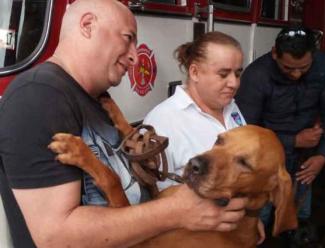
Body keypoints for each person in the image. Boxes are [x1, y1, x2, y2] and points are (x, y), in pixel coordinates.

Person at [0, 1, 248, 247]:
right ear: (87, 25)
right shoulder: (39, 95)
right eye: (127, 38)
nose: (134, 57)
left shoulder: (98, 100)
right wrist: (176, 211)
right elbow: (56, 238)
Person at [143, 31, 265, 244]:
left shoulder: (232, 108)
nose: (234, 83)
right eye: (223, 74)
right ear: (195, 72)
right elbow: (154, 204)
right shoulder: (163, 120)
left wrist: (250, 217)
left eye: (238, 73)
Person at [235, 26, 325, 243]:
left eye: (303, 68)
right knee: (258, 220)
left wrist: (322, 156)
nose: (296, 74)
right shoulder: (256, 75)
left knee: (299, 217)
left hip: (304, 161)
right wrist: (293, 140)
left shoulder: (322, 65)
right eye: (288, 68)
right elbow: (245, 132)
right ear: (275, 53)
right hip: (265, 161)